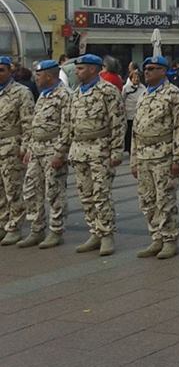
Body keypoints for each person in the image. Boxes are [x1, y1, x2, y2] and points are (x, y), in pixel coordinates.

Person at [130, 55, 179, 260]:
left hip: (163, 154)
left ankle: (170, 239)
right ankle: (156, 237)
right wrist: (134, 159)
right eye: (146, 68)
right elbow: (135, 130)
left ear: (163, 71)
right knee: (147, 200)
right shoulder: (143, 95)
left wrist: (177, 160)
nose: (147, 72)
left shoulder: (174, 95)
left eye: (153, 68)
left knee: (165, 200)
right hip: (144, 155)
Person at [66, 53, 125, 256]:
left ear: (93, 69)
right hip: (80, 150)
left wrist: (116, 151)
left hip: (100, 149)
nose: (77, 71)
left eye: (81, 68)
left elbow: (118, 122)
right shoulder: (76, 93)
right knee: (86, 195)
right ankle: (95, 232)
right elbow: (69, 124)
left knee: (102, 195)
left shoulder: (107, 91)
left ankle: (107, 234)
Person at [17, 60, 70, 249]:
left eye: (38, 75)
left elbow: (67, 127)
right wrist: (30, 148)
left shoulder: (64, 95)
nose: (36, 78)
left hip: (53, 149)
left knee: (54, 191)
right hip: (37, 149)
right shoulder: (43, 95)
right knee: (30, 188)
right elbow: (35, 125)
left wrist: (60, 153)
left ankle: (56, 230)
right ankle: (37, 228)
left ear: (49, 75)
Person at [0, 56, 35, 245]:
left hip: (11, 146)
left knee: (12, 188)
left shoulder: (21, 92)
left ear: (10, 72)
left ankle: (14, 226)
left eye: (2, 70)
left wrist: (25, 147)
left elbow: (28, 122)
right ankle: (2, 223)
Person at [121, 68, 146, 153]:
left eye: (138, 77)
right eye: (134, 78)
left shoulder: (143, 88)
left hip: (139, 114)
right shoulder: (126, 88)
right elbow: (122, 99)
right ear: (131, 79)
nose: (136, 79)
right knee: (129, 132)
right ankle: (129, 148)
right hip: (129, 114)